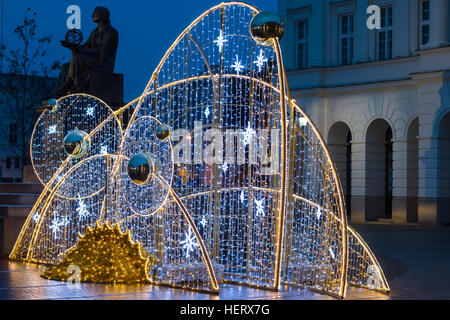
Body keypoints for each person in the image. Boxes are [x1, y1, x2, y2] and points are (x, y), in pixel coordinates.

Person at [52, 7, 119, 97]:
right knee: (65, 67)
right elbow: (85, 46)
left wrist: (79, 50)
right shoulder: (94, 32)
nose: (92, 16)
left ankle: (76, 87)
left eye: (94, 14)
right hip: (91, 62)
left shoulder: (111, 33)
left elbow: (100, 50)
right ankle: (58, 91)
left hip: (102, 63)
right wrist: (72, 46)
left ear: (101, 15)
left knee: (77, 57)